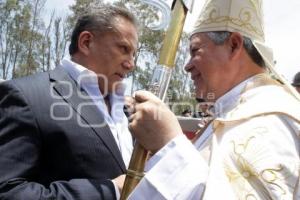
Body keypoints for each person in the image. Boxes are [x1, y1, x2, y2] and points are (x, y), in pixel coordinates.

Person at [126, 0, 300, 199]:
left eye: (195, 51)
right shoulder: (233, 112)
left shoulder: (273, 119)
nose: (187, 66)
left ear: (234, 45)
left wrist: (168, 145)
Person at [0, 5, 138, 200]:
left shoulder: (128, 112)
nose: (131, 64)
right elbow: (7, 191)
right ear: (86, 42)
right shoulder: (26, 96)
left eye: (133, 54)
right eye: (124, 49)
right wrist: (111, 190)